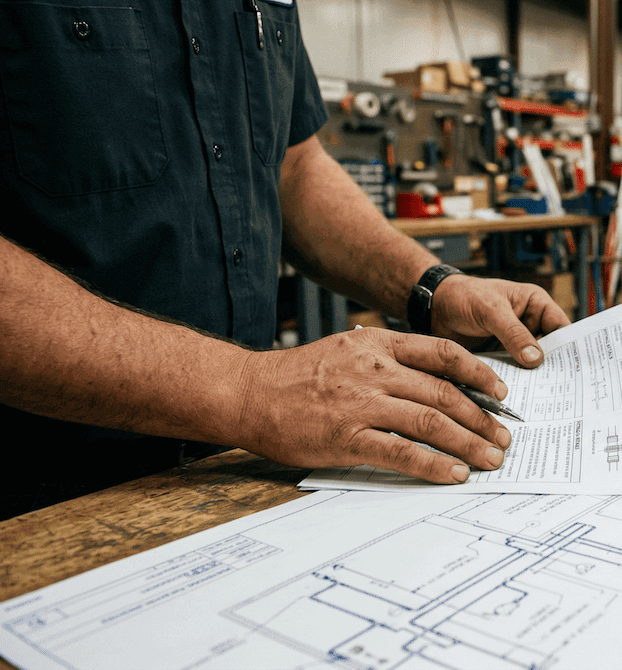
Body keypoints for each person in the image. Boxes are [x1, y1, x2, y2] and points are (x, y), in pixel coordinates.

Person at [0, 0, 570, 519]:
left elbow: (293, 168)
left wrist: (432, 287)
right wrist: (249, 389)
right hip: (43, 497)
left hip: (238, 469)